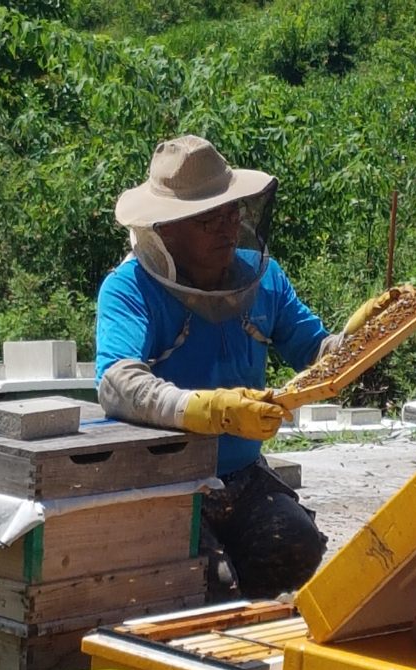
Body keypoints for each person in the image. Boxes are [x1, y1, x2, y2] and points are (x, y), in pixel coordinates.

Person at [96, 135, 394, 601]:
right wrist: (210, 409)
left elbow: (314, 354)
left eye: (232, 212)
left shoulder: (263, 275)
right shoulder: (128, 289)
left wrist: (362, 336)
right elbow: (116, 382)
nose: (228, 229)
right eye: (208, 219)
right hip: (169, 482)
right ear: (166, 229)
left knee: (293, 547)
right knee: (205, 585)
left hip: (243, 473)